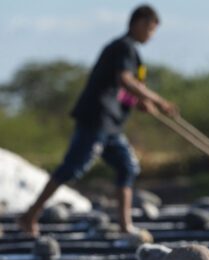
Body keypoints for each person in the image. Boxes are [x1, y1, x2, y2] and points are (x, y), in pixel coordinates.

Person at [18, 4, 177, 236]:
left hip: (111, 124)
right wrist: (159, 100)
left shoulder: (129, 51)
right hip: (97, 119)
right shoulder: (123, 47)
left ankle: (125, 227)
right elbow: (124, 80)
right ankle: (29, 215)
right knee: (73, 167)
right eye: (151, 29)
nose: (151, 35)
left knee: (127, 167)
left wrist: (139, 102)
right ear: (139, 23)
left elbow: (118, 90)